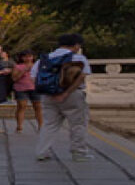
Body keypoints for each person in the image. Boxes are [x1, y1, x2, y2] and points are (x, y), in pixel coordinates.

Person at [33, 33, 93, 162]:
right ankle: (79, 152)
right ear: (76, 45)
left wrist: (51, 92)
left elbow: (34, 77)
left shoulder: (44, 59)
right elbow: (81, 77)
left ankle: (42, 151)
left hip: (48, 96)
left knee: (49, 124)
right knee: (78, 124)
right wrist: (65, 93)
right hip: (72, 95)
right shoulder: (78, 58)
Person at [11, 52, 43, 133]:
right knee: (22, 106)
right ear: (21, 58)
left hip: (35, 88)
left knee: (38, 107)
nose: (28, 59)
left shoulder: (37, 65)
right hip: (21, 89)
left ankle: (41, 127)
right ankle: (19, 127)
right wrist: (24, 71)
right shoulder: (17, 66)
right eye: (25, 57)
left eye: (30, 56)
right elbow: (14, 79)